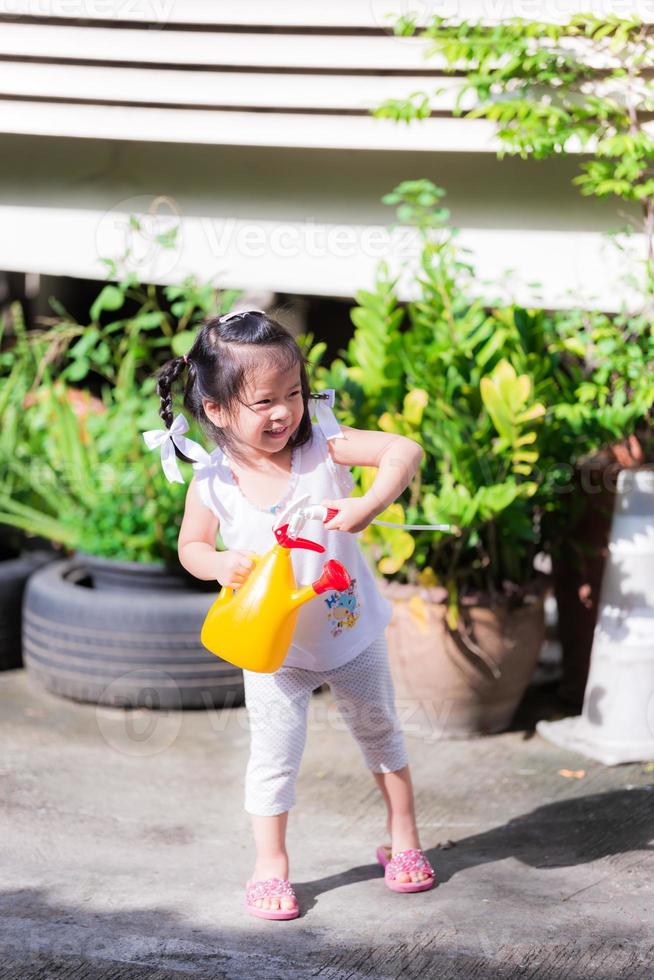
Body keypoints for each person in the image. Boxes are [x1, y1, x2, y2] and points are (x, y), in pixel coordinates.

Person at [145, 308, 435, 920]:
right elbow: (191, 548)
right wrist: (218, 563)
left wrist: (368, 503)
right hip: (271, 648)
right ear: (218, 409)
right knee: (274, 757)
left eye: (295, 393)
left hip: (347, 630)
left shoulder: (324, 447)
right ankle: (270, 865)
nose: (286, 412)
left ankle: (404, 838)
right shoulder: (214, 480)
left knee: (380, 729)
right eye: (266, 401)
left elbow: (404, 450)